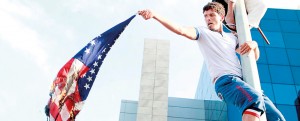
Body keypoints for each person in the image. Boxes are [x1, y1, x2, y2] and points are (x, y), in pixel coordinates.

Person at [138, 2, 285, 121]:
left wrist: (254, 45)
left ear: (221, 17)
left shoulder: (231, 38)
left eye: (211, 15)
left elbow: (253, 57)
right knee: (253, 100)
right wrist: (156, 15)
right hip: (226, 82)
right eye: (205, 16)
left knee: (276, 117)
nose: (208, 18)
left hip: (244, 81)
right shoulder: (203, 33)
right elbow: (181, 30)